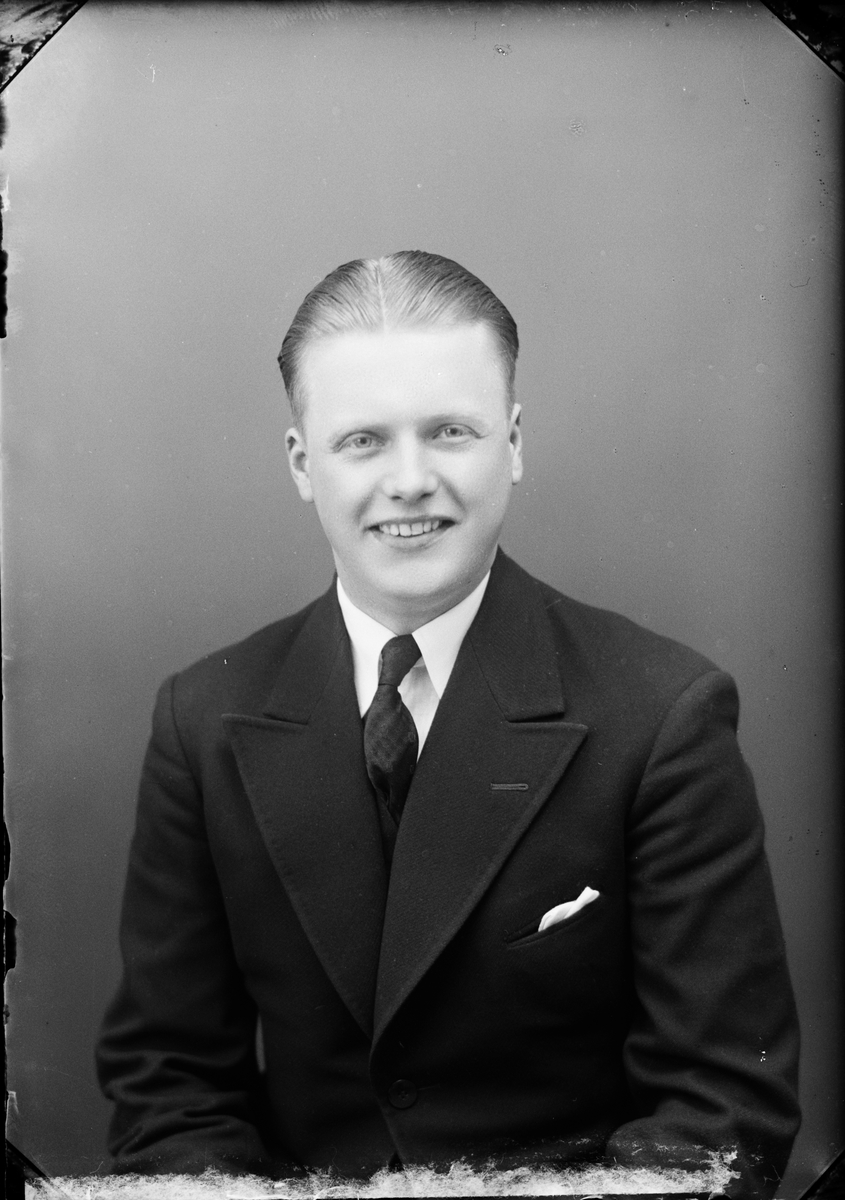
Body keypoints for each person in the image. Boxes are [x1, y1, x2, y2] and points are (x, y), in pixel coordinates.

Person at [97, 251, 800, 1197]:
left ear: (512, 443)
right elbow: (168, 1086)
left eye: (450, 432)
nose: (410, 480)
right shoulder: (202, 718)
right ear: (303, 464)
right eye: (362, 441)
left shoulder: (662, 713)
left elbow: (720, 1116)